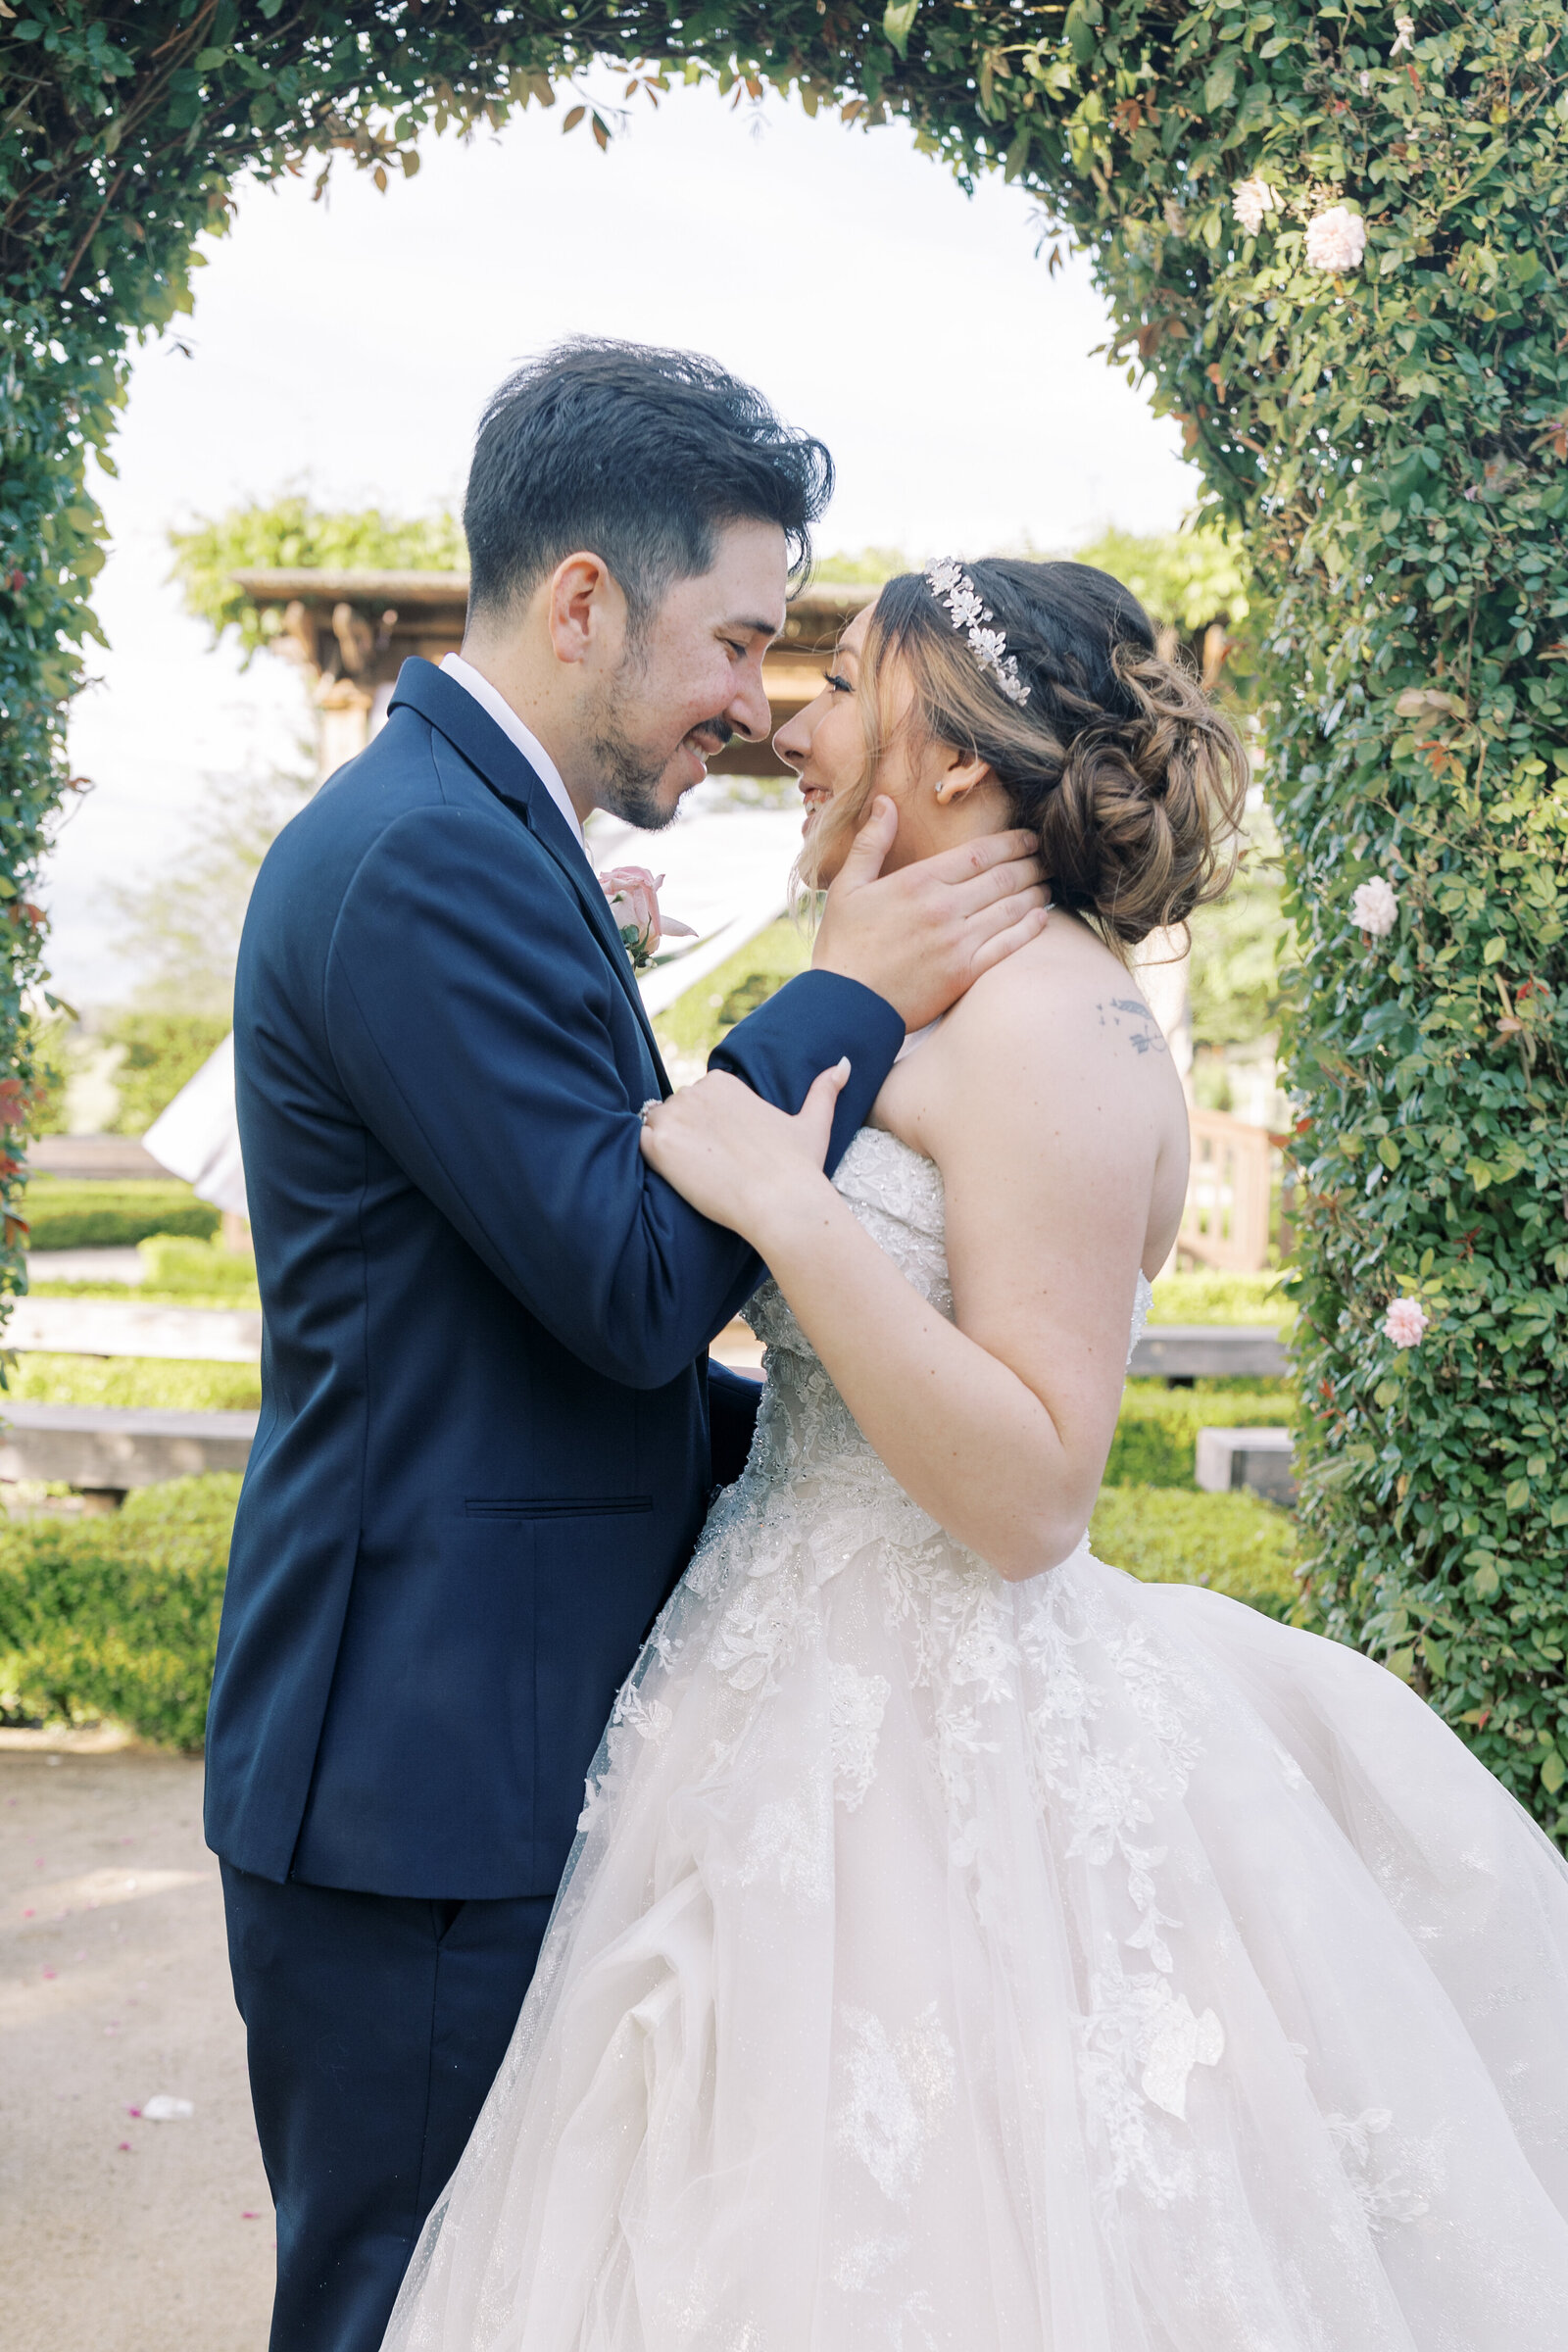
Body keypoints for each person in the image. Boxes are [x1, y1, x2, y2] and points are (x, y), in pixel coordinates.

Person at [382, 556, 1568, 2350]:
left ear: (944, 751)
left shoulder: (1061, 1027)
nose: (795, 719)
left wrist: (794, 1205)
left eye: (846, 681)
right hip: (774, 1686)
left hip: (939, 1743)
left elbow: (1032, 1495)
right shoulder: (933, 994)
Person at [205, 345, 1051, 2352]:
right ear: (581, 599)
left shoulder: (481, 833)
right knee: (395, 2310)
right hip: (420, 1779)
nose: (760, 705)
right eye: (738, 639)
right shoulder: (421, 855)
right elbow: (631, 1280)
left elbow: (543, 1308)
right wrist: (837, 998)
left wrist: (852, 1455)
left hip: (489, 1741)